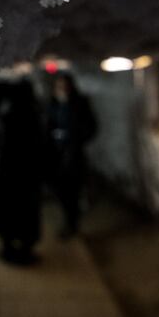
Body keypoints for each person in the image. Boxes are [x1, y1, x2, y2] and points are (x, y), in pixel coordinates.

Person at [0, 79, 45, 265]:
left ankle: (9, 249)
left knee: (8, 210)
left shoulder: (6, 115)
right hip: (28, 174)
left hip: (8, 174)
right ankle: (25, 250)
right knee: (26, 212)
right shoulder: (33, 114)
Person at [47, 72, 97, 238]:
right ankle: (69, 219)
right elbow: (48, 125)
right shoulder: (53, 104)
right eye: (60, 86)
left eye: (65, 86)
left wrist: (75, 137)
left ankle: (72, 223)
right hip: (56, 154)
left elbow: (91, 128)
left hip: (73, 154)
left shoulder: (79, 104)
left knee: (72, 190)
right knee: (59, 189)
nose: (63, 89)